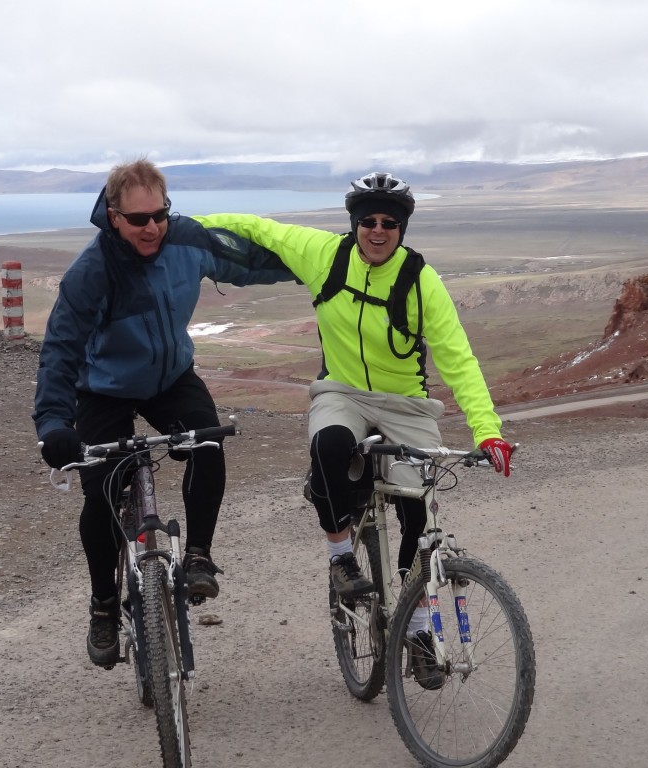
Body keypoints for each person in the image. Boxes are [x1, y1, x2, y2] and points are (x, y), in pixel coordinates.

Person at [196, 172, 513, 689]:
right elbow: (258, 228)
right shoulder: (324, 255)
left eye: (389, 222)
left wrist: (488, 431)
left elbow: (459, 359)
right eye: (368, 221)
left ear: (402, 228)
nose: (378, 230)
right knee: (330, 444)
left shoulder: (421, 281)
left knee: (417, 514)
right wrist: (180, 225)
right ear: (354, 224)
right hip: (341, 391)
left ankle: (417, 630)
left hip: (406, 403)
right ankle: (341, 556)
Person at [33, 158, 294, 667]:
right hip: (104, 390)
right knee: (102, 491)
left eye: (160, 214)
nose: (152, 227)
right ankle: (104, 605)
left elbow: (250, 262)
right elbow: (60, 352)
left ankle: (198, 556)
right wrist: (53, 425)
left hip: (170, 379)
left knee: (207, 441)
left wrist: (324, 262)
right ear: (114, 217)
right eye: (138, 219)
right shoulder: (91, 273)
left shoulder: (185, 239)